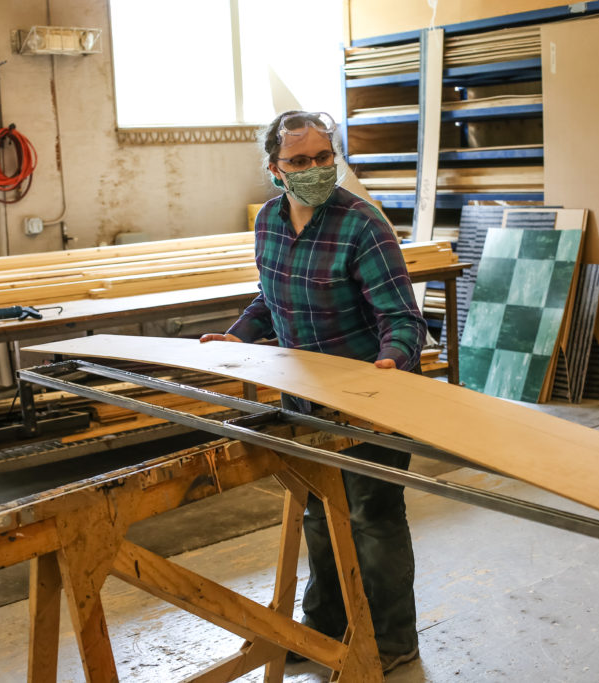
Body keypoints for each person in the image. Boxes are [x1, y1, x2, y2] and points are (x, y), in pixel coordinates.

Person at [200, 110, 425, 673]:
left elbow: (403, 318)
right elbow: (271, 299)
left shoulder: (362, 224)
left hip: (370, 399)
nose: (317, 170)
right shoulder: (269, 224)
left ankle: (394, 641)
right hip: (303, 400)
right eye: (300, 161)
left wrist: (390, 361)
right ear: (275, 169)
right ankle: (323, 629)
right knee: (320, 516)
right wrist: (235, 337)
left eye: (324, 158)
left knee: (375, 519)